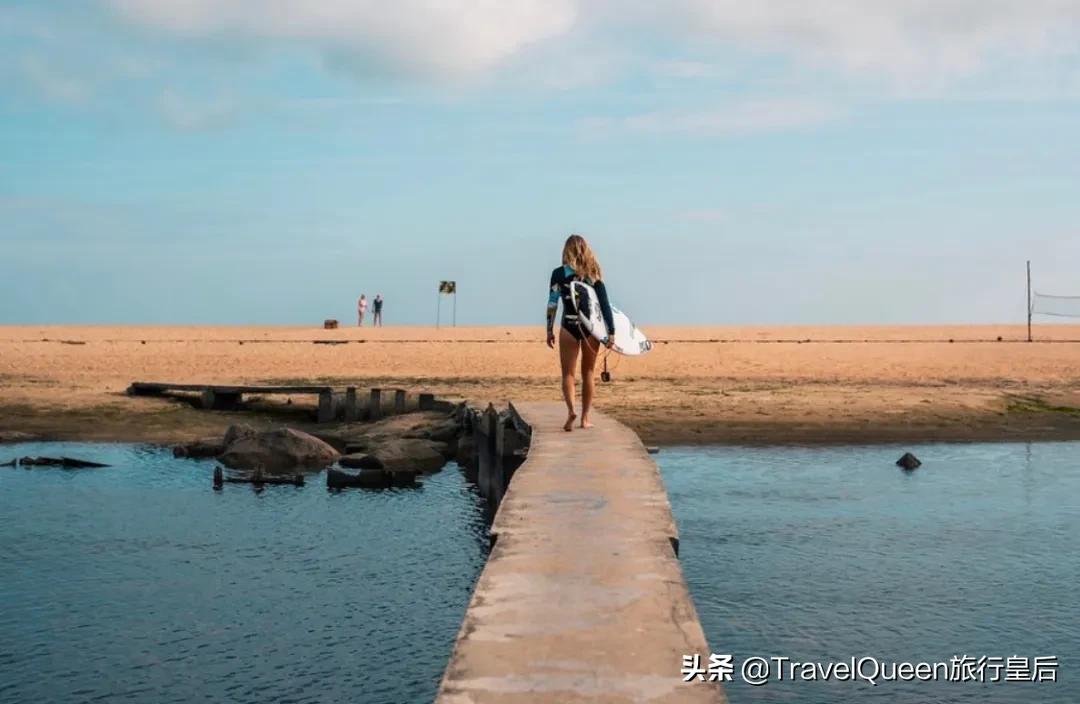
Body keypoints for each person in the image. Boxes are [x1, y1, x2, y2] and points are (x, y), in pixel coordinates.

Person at [546, 234, 614, 432]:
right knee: (589, 373)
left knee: (567, 374)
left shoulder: (558, 274)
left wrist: (549, 329)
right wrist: (611, 332)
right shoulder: (594, 274)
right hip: (590, 329)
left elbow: (552, 303)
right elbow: (604, 305)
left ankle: (570, 412)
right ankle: (584, 418)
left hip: (568, 325)